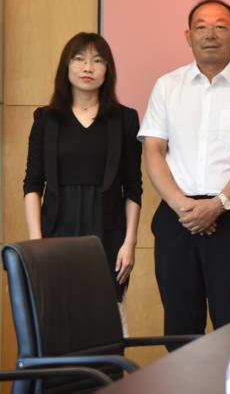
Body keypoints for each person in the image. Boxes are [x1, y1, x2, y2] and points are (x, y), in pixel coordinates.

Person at [139, 0, 230, 335]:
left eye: (220, 27)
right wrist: (184, 207)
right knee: (180, 326)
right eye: (200, 27)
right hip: (177, 218)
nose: (210, 34)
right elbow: (153, 150)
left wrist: (217, 205)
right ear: (188, 36)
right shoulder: (167, 86)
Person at [23, 32, 142, 318]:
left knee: (106, 318)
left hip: (108, 234)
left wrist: (129, 243)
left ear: (107, 70)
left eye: (97, 60)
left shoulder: (125, 119)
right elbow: (33, 185)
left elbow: (133, 188)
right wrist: (37, 243)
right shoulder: (46, 119)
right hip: (56, 233)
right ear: (66, 66)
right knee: (58, 317)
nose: (88, 67)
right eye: (79, 59)